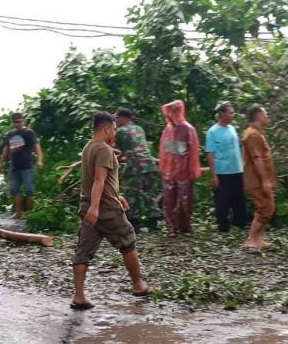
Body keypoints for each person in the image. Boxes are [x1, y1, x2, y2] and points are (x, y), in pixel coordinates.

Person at [71, 112, 154, 310]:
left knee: (84, 250)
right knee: (128, 241)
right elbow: (99, 180)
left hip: (90, 206)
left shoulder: (87, 148)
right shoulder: (105, 150)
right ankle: (138, 284)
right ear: (107, 128)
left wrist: (116, 197)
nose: (115, 133)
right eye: (114, 129)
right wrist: (96, 206)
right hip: (105, 209)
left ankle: (79, 296)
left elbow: (98, 181)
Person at [158, 100, 202, 237]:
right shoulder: (168, 129)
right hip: (169, 172)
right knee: (168, 202)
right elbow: (164, 151)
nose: (169, 115)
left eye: (172, 112)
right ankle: (172, 228)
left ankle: (185, 227)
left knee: (185, 202)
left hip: (183, 172)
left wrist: (192, 170)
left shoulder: (188, 129)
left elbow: (193, 151)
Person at [114, 107, 161, 232]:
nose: (116, 120)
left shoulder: (121, 131)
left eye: (117, 118)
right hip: (150, 165)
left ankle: (134, 225)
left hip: (136, 167)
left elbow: (112, 148)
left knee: (131, 195)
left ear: (124, 118)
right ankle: (154, 224)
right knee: (149, 195)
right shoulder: (139, 129)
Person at [206, 103, 247, 232]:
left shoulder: (232, 129)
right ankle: (223, 228)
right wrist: (213, 175)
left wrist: (243, 164)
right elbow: (210, 154)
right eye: (230, 112)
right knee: (222, 202)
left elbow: (238, 148)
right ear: (222, 114)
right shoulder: (213, 131)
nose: (232, 115)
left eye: (233, 112)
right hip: (222, 172)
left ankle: (240, 225)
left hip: (237, 170)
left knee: (239, 199)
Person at [241, 105, 277, 252]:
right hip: (256, 179)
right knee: (265, 209)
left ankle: (259, 240)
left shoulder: (257, 133)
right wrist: (264, 180)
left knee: (267, 207)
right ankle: (250, 240)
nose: (267, 117)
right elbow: (257, 159)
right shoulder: (252, 135)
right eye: (265, 114)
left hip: (263, 177)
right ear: (259, 116)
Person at [0, 113, 43, 218]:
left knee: (29, 190)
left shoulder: (29, 133)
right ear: (12, 123)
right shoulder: (10, 134)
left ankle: (30, 214)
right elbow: (5, 149)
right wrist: (1, 163)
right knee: (14, 189)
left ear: (24, 121)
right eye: (15, 122)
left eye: (19, 121)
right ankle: (18, 213)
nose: (17, 124)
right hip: (14, 166)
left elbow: (36, 146)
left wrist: (39, 160)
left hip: (27, 166)